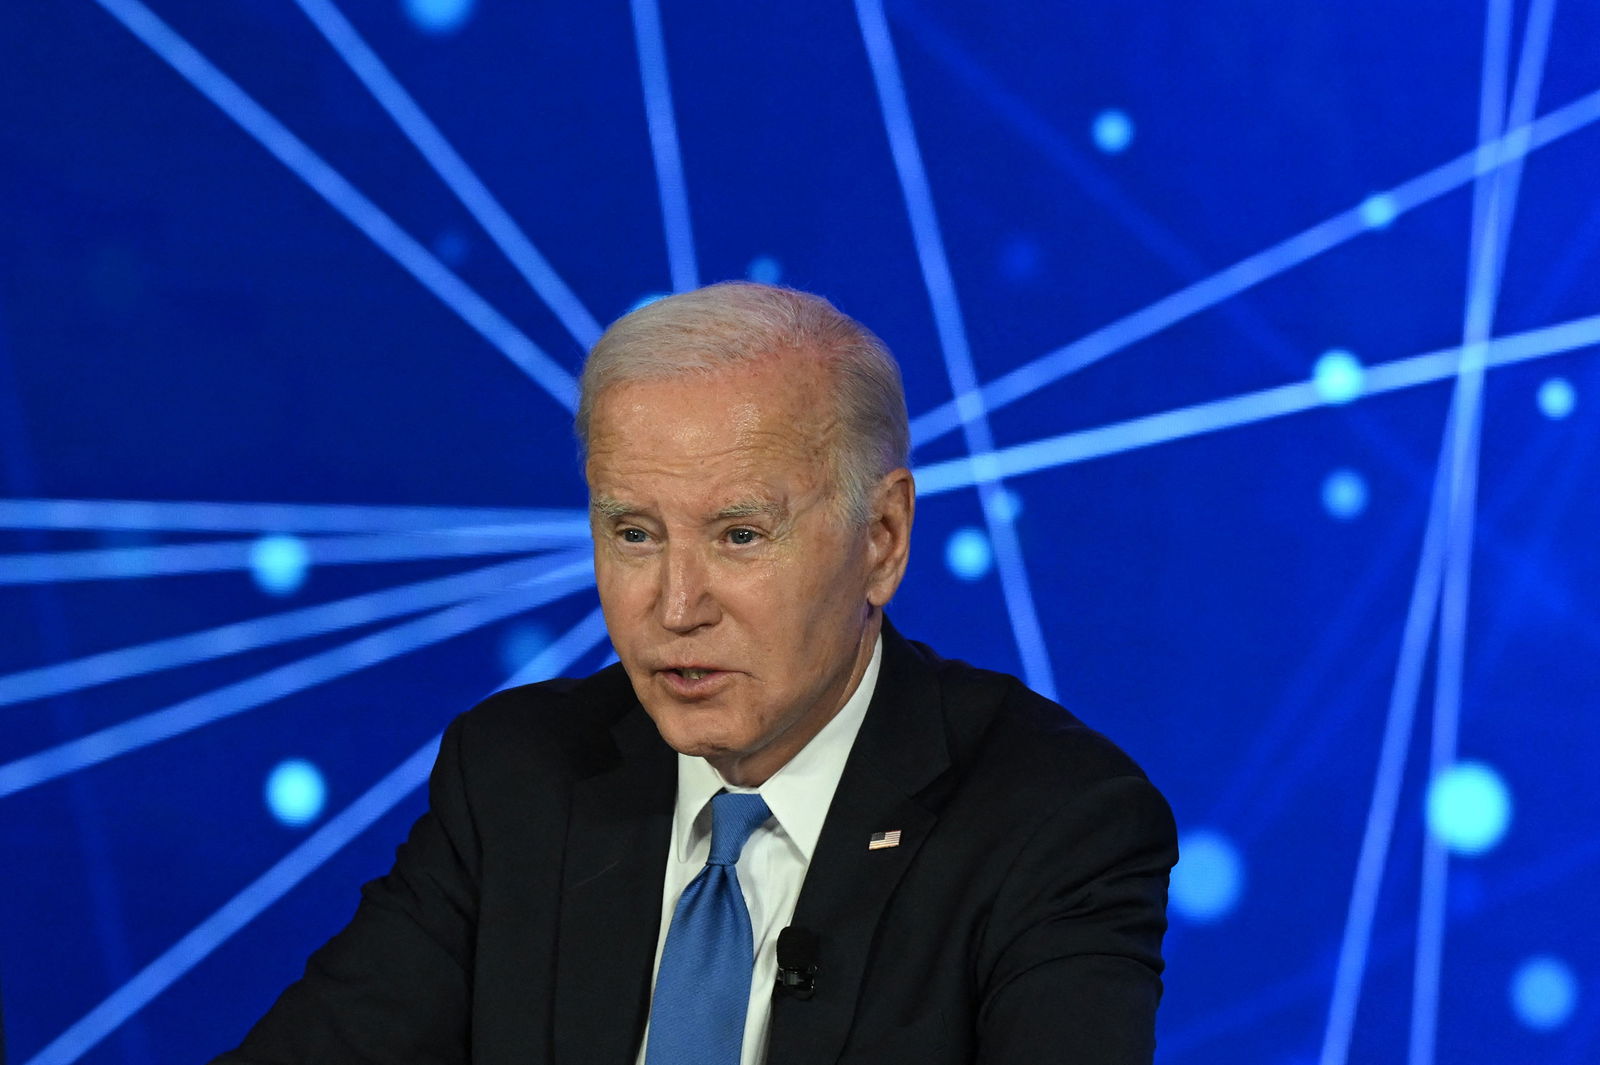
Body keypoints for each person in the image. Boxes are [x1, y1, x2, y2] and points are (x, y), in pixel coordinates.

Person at [212, 282, 1177, 1065]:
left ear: (881, 539)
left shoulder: (1053, 820)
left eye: (740, 535)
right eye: (634, 533)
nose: (675, 606)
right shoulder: (516, 776)